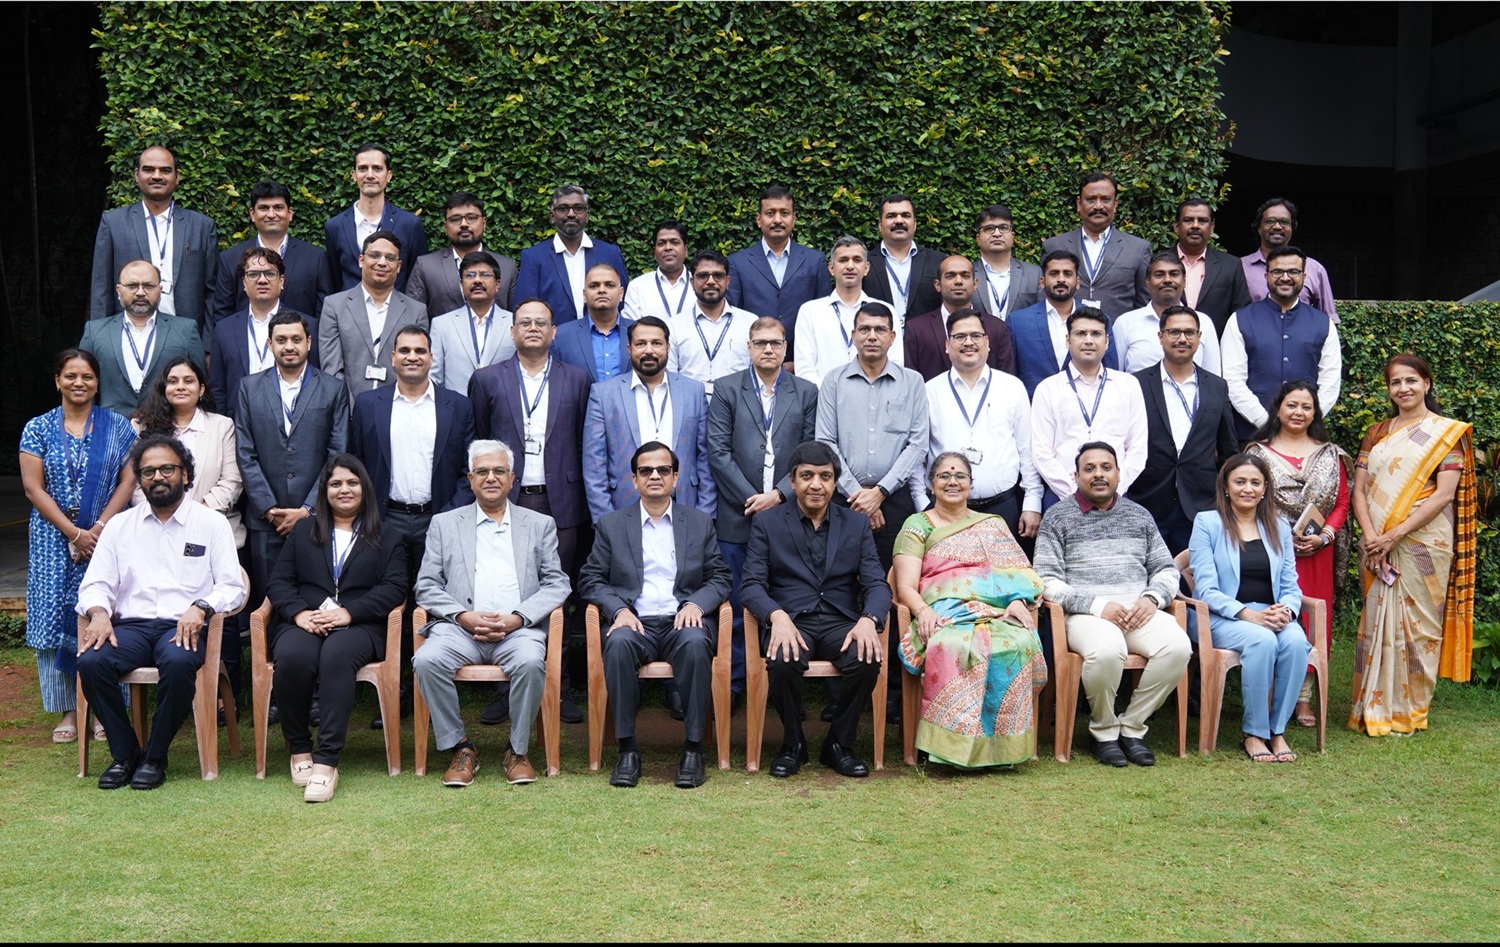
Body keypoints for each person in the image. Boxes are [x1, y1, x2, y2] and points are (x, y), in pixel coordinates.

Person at [76, 434, 248, 790]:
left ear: (185, 474)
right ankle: (125, 754)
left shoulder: (210, 523)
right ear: (139, 480)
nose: (158, 477)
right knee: (91, 663)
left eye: (167, 469)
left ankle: (155, 756)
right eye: (148, 471)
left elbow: (232, 586)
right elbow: (96, 584)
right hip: (131, 627)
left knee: (180, 661)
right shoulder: (120, 526)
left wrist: (201, 607)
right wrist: (99, 612)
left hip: (183, 626)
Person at [412, 440, 572, 787]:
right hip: (459, 630)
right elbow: (425, 585)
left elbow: (558, 584)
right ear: (469, 479)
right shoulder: (444, 524)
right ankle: (461, 747)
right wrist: (462, 616)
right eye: (482, 471)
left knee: (531, 662)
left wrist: (518, 618)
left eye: (499, 471)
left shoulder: (539, 524)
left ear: (513, 478)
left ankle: (517, 751)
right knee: (426, 661)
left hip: (518, 631)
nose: (491, 478)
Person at [578, 442, 733, 788]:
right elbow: (589, 578)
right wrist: (618, 610)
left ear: (676, 478)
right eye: (646, 471)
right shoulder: (612, 525)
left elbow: (721, 577)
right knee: (616, 643)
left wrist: (696, 604)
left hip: (683, 620)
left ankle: (694, 750)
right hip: (636, 622)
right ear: (633, 480)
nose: (655, 476)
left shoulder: (698, 522)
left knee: (695, 643)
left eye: (663, 470)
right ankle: (627, 750)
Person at [467, 298, 592, 727]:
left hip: (563, 502)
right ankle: (507, 687)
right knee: (509, 591)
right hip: (508, 501)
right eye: (525, 322)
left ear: (554, 332)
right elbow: (480, 443)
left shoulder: (577, 378)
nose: (533, 328)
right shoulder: (486, 380)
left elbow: (583, 442)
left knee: (563, 596)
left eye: (542, 322)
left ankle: (562, 686)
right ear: (512, 331)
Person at [740, 440, 892, 778]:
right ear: (791, 482)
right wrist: (776, 616)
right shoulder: (768, 523)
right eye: (806, 476)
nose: (816, 484)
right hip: (791, 620)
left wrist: (869, 620)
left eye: (825, 476)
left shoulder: (855, 523)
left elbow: (877, 585)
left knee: (867, 657)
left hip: (841, 622)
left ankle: (839, 744)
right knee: (782, 660)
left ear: (835, 482)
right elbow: (750, 585)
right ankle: (793, 743)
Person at [350, 324, 476, 729]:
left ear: (431, 358)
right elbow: (357, 464)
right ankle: (395, 691)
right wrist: (370, 516)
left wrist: (448, 516)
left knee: (437, 603)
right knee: (389, 604)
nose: (412, 357)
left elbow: (465, 470)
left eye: (420, 351)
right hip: (385, 521)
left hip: (438, 519)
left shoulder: (458, 406)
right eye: (404, 350)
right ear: (392, 358)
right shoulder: (368, 405)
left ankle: (434, 685)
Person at [1033, 442, 1190, 767]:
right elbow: (1045, 579)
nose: (1099, 474)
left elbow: (1165, 568)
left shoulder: (1139, 515)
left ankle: (1132, 727)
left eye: (1106, 467)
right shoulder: (1058, 517)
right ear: (1076, 476)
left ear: (1119, 473)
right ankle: (1103, 731)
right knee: (1107, 649)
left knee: (1177, 646)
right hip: (1085, 615)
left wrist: (1152, 599)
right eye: (1089, 469)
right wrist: (1098, 606)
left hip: (1138, 611)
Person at [1348, 354, 1478, 737]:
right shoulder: (1377, 432)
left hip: (1424, 541)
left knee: (1421, 625)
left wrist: (1393, 535)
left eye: (1411, 380)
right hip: (1375, 543)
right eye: (1395, 383)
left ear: (1427, 383)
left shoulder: (1446, 433)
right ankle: (1370, 704)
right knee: (1375, 621)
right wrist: (1372, 536)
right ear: (1388, 390)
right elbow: (1358, 489)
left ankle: (1410, 710)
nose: (1403, 388)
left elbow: (1443, 496)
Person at [265, 454, 407, 802]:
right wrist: (298, 613)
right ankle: (299, 748)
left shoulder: (388, 536)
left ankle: (326, 762)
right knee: (293, 656)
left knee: (336, 655)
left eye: (352, 482)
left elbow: (395, 587)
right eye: (336, 483)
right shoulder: (302, 532)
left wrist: (349, 613)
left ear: (365, 489)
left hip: (360, 625)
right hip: (306, 620)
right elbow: (279, 582)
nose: (345, 489)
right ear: (325, 491)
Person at [892, 451, 1047, 768]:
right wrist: (922, 612)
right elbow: (905, 585)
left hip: (995, 613)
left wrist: (1016, 600)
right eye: (944, 476)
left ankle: (1001, 752)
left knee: (1016, 644)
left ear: (970, 484)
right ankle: (948, 750)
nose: (952, 481)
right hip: (943, 615)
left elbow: (1015, 576)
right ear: (931, 484)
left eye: (960, 476)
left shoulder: (992, 525)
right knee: (953, 646)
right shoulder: (916, 525)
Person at [19, 350, 137, 744]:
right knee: (58, 617)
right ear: (58, 380)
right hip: (54, 541)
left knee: (106, 614)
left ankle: (106, 708)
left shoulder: (117, 427)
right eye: (71, 376)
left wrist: (99, 527)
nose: (79, 383)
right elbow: (33, 488)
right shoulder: (37, 428)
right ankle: (70, 709)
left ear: (97, 382)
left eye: (87, 376)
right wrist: (74, 532)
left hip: (105, 538)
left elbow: (128, 481)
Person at [706, 316, 819, 697]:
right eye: (760, 343)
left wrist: (781, 495)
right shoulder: (726, 389)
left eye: (775, 342)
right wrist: (754, 500)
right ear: (749, 347)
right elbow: (718, 452)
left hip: (791, 512)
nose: (768, 349)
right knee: (738, 603)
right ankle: (739, 683)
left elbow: (810, 455)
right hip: (739, 516)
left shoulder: (805, 392)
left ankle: (784, 685)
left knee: (788, 598)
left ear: (786, 347)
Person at [131, 356, 246, 688]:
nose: (180, 386)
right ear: (163, 388)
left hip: (215, 530)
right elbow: (137, 484)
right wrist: (166, 513)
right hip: (157, 533)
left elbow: (232, 481)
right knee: (168, 612)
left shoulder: (222, 425)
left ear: (202, 388)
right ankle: (176, 689)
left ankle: (227, 695)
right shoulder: (142, 426)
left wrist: (194, 515)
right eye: (173, 381)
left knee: (220, 615)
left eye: (188, 380)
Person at [1187, 453, 1309, 763]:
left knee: (1295, 642)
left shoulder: (1279, 526)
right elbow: (1206, 590)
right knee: (1262, 639)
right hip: (1221, 617)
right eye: (1239, 481)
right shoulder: (1208, 523)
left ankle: (1277, 730)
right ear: (1226, 487)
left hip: (1271, 613)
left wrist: (1288, 611)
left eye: (1255, 482)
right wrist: (1249, 615)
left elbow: (1290, 582)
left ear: (1266, 488)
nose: (1248, 489)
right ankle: (1254, 733)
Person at [1244, 380, 1350, 727]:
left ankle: (1302, 700)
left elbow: (1342, 501)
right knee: (1276, 618)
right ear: (1278, 408)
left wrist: (1324, 536)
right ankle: (1272, 694)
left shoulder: (1332, 453)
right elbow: (1246, 499)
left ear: (1315, 412)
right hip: (1272, 551)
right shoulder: (1257, 453)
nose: (1298, 412)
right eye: (1292, 405)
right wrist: (1278, 535)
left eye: (1306, 406)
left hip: (1317, 553)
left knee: (1312, 625)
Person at [236, 311, 351, 615]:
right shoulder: (248, 388)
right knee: (268, 599)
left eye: (296, 339)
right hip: (265, 518)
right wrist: (268, 509)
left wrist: (309, 508)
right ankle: (265, 659)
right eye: (282, 340)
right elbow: (245, 452)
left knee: (315, 593)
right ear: (269, 344)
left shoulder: (333, 388)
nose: (289, 346)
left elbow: (336, 452)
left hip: (316, 514)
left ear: (309, 342)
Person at [815, 302, 928, 572]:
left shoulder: (912, 382)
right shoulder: (834, 380)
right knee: (839, 579)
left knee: (893, 580)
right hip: (843, 499)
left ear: (892, 337)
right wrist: (858, 495)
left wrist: (879, 493)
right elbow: (826, 442)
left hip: (895, 499)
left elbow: (918, 444)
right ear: (853, 335)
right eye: (864, 329)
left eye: (880, 329)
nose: (872, 336)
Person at [914, 309, 1040, 543]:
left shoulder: (1012, 387)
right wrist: (923, 504)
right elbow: (917, 454)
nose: (968, 342)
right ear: (947, 344)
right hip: (944, 512)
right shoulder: (928, 391)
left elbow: (1027, 450)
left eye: (976, 335)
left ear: (988, 343)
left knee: (1004, 579)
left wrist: (1032, 501)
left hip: (1002, 509)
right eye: (960, 336)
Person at [583, 315, 714, 522]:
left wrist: (704, 515)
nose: (649, 350)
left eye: (656, 343)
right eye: (641, 344)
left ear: (668, 348)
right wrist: (605, 522)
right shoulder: (603, 394)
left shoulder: (693, 391)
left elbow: (705, 459)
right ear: (629, 349)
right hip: (623, 508)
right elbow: (594, 465)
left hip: (685, 507)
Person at [1131, 306, 1239, 555]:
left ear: (1199, 337)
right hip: (1148, 499)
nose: (1182, 339)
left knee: (1195, 583)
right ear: (1160, 336)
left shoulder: (1217, 386)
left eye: (1189, 333)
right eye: (1174, 332)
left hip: (1200, 503)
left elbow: (1228, 450)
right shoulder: (1135, 383)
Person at [89, 145, 218, 330]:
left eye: (165, 170)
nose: (157, 176)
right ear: (136, 175)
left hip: (186, 337)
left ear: (177, 177)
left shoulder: (201, 226)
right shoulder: (113, 224)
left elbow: (212, 293)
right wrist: (98, 339)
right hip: (127, 336)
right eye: (149, 169)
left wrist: (208, 347)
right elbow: (101, 292)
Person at [1221, 245, 1341, 443]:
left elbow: (1330, 381)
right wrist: (1265, 422)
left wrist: (1303, 420)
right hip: (1251, 434)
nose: (1285, 277)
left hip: (1306, 437)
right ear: (1266, 275)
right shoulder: (1240, 319)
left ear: (1303, 276)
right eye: (1277, 271)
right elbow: (1232, 381)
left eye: (1293, 272)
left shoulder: (1323, 323)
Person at [1029, 308, 1147, 505]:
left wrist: (1113, 490)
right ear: (1068, 340)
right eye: (1081, 334)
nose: (1089, 340)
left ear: (1107, 341)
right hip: (1062, 499)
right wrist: (1075, 494)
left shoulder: (1128, 385)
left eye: (1096, 334)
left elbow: (1137, 449)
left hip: (1117, 499)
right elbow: (1041, 452)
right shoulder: (1048, 389)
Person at [208, 247, 322, 419]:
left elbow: (316, 381)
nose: (262, 280)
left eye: (270, 274)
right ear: (244, 283)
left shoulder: (307, 325)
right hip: (239, 422)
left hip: (292, 420)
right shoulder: (224, 329)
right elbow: (217, 388)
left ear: (282, 281)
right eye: (253, 274)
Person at [79, 260, 204, 417]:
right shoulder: (95, 332)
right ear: (118, 290)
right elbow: (82, 387)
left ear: (160, 289)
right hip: (109, 430)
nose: (140, 292)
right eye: (132, 286)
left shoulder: (185, 330)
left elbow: (199, 384)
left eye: (148, 286)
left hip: (169, 429)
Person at [724, 185, 830, 362]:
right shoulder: (737, 263)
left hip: (801, 364)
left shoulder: (815, 261)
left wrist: (798, 362)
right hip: (752, 363)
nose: (778, 219)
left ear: (793, 219)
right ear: (759, 219)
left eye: (784, 213)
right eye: (770, 213)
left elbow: (823, 317)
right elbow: (733, 318)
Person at [318, 231, 429, 398]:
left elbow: (417, 369)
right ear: (361, 260)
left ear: (398, 266)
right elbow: (331, 368)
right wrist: (347, 409)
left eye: (390, 258)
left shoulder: (416, 311)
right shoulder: (334, 306)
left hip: (397, 409)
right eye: (375, 255)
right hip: (348, 409)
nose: (382, 262)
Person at [209, 180, 329, 326]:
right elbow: (222, 315)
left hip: (299, 347)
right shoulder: (230, 259)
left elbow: (323, 315)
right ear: (252, 214)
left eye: (278, 207)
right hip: (246, 347)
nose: (271, 214)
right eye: (264, 208)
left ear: (290, 213)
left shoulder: (316, 258)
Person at [1008, 250, 1120, 397]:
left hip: (1088, 410)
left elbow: (1110, 371)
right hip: (1034, 410)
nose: (1061, 279)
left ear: (1078, 282)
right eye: (1054, 274)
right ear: (1042, 281)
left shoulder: (1099, 321)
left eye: (1067, 274)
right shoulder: (1018, 322)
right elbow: (1010, 376)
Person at [513, 184, 629, 325]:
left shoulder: (610, 254)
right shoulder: (534, 257)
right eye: (563, 208)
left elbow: (622, 302)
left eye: (578, 208)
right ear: (552, 216)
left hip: (603, 340)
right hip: (554, 343)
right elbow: (525, 309)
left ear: (587, 216)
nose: (571, 214)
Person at [1041, 172, 1150, 319]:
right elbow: (1045, 299)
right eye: (1091, 199)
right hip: (1065, 334)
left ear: (1115, 204)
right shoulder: (1054, 246)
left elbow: (1144, 304)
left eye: (1105, 199)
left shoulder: (1138, 249)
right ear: (1079, 204)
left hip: (1117, 337)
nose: (1098, 206)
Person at [323, 143, 428, 293]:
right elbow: (335, 279)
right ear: (354, 175)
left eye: (377, 169)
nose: (370, 175)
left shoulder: (410, 225)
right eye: (363, 168)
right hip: (349, 313)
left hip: (396, 313)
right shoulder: (335, 226)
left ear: (389, 176)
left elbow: (417, 280)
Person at [902, 255, 1017, 382]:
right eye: (950, 276)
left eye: (965, 276)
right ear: (937, 285)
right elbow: (910, 381)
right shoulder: (917, 329)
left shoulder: (997, 328)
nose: (958, 281)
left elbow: (1007, 379)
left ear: (975, 284)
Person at [793, 236, 890, 387]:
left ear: (866, 268)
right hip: (824, 403)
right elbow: (804, 368)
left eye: (857, 260)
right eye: (843, 260)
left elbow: (894, 363)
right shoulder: (810, 311)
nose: (850, 266)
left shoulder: (886, 311)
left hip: (875, 403)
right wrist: (829, 398)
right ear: (831, 268)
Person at [407, 191, 518, 315]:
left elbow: (518, 317)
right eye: (455, 219)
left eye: (471, 218)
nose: (464, 224)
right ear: (445, 227)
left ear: (484, 223)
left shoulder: (507, 267)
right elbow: (413, 317)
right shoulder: (426, 266)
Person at [1113, 252, 1223, 374]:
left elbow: (1212, 376)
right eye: (1159, 275)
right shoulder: (1126, 323)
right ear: (1147, 282)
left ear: (1184, 281)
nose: (1167, 280)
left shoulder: (1203, 322)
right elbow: (1115, 376)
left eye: (1174, 274)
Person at [666, 249, 754, 398]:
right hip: (689, 407)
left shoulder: (750, 323)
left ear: (727, 281)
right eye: (703, 276)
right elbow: (670, 378)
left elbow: (757, 375)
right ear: (692, 282)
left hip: (738, 410)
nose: (711, 281)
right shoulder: (673, 327)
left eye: (718, 276)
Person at [428, 250, 516, 395]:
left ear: (498, 284)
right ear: (461, 284)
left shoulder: (514, 323)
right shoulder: (441, 324)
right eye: (470, 275)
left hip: (502, 409)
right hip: (457, 411)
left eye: (485, 275)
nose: (477, 280)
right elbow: (434, 378)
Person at [1240, 197, 1337, 321]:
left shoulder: (1314, 269)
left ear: (1292, 227)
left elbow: (1328, 320)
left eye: (1284, 222)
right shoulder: (1240, 267)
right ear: (1259, 228)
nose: (1277, 227)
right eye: (1270, 221)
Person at [1171, 199, 1250, 336]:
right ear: (1176, 226)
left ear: (1212, 227)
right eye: (1188, 220)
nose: (1195, 226)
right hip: (1166, 350)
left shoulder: (1231, 265)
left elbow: (1241, 314)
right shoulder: (1158, 263)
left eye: (1202, 221)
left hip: (1215, 350)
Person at [861, 193, 943, 321]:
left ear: (914, 224)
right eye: (891, 216)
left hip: (923, 340)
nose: (899, 221)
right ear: (880, 225)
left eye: (905, 215)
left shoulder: (938, 262)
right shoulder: (863, 263)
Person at [550, 263, 635, 383]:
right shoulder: (561, 336)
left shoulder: (639, 332)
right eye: (594, 286)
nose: (602, 290)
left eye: (609, 285)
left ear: (621, 293)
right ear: (584, 295)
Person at [971, 203, 1041, 320]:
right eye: (989, 229)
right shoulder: (967, 274)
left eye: (1004, 228)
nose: (997, 234)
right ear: (978, 238)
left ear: (1012, 236)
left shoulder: (1034, 274)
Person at [623, 221, 693, 322]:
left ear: (686, 250)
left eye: (675, 242)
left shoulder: (699, 285)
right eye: (661, 243)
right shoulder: (638, 287)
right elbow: (630, 328)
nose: (668, 248)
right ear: (654, 252)